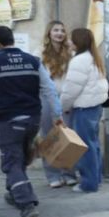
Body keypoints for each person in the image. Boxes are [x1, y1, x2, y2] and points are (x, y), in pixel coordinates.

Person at [0, 25, 62, 217]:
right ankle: (14, 192)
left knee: (12, 162)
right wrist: (57, 115)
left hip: (10, 121)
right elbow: (49, 90)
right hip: (32, 120)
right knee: (20, 158)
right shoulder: (33, 61)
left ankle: (27, 205)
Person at [60, 28, 108, 193]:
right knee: (93, 144)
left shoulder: (79, 60)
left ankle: (89, 184)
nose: (68, 42)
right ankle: (96, 179)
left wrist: (63, 107)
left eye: (71, 39)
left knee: (85, 147)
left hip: (84, 109)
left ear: (77, 42)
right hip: (95, 107)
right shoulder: (93, 57)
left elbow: (71, 90)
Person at [34, 20, 77, 188]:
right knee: (49, 137)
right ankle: (53, 175)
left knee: (68, 137)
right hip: (46, 99)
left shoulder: (71, 53)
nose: (59, 33)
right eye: (56, 30)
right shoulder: (39, 53)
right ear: (49, 33)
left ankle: (69, 172)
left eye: (62, 30)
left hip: (66, 98)